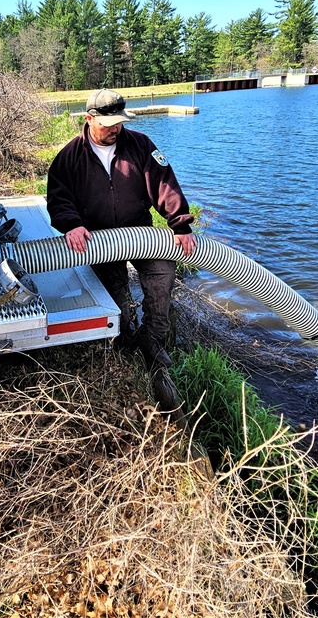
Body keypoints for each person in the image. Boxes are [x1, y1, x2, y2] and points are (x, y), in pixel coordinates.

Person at [46, 88, 196, 421]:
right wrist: (70, 224)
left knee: (161, 276)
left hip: (140, 233)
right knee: (115, 293)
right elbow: (58, 197)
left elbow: (165, 184)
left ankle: (154, 339)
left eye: (119, 122)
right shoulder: (69, 157)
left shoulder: (140, 145)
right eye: (109, 123)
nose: (116, 129)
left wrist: (180, 224)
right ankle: (126, 338)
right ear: (90, 119)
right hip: (98, 240)